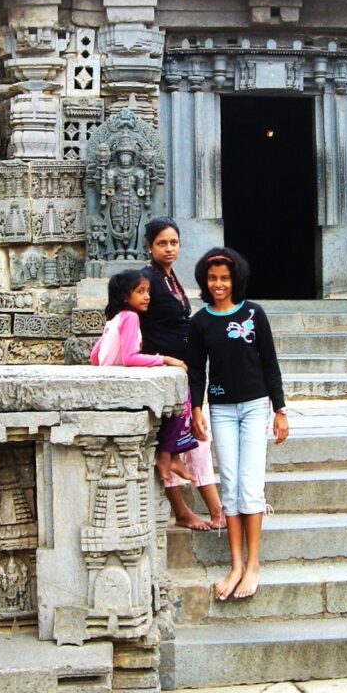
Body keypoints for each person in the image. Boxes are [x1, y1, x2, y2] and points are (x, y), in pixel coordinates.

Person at [188, 247, 289, 601]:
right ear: (205, 281)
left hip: (255, 406)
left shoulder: (253, 314)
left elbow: (269, 362)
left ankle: (253, 565)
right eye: (212, 278)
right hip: (220, 408)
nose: (219, 284)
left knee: (251, 485)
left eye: (225, 278)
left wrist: (280, 409)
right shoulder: (200, 322)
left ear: (235, 280)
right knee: (229, 485)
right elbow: (197, 370)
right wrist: (196, 409)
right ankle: (235, 565)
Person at [139, 217, 225, 531]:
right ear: (149, 246)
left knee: (186, 440)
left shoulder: (170, 278)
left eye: (174, 242)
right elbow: (130, 318)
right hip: (163, 372)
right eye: (162, 243)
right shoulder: (145, 279)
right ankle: (197, 511)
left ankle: (207, 510)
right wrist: (156, 358)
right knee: (181, 442)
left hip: (183, 371)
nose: (169, 248)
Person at [90, 269, 195, 484]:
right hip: (122, 386)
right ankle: (167, 454)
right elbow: (130, 357)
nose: (147, 296)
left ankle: (171, 456)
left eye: (147, 291)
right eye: (140, 291)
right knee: (183, 398)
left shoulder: (114, 319)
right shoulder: (130, 317)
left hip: (108, 380)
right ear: (125, 296)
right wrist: (165, 359)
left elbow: (94, 356)